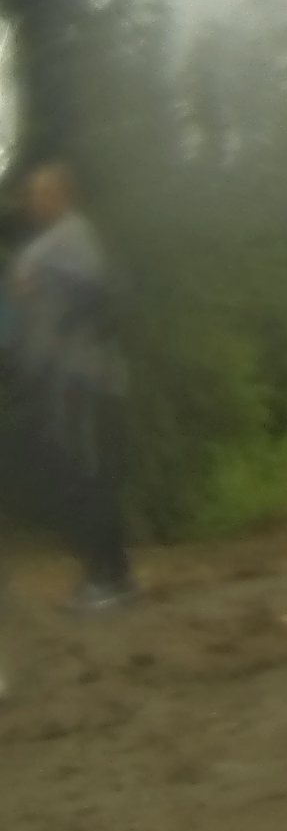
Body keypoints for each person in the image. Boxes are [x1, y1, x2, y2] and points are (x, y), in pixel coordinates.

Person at [3, 161, 136, 610]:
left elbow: (98, 289)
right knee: (76, 475)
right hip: (58, 377)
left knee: (86, 475)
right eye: (31, 194)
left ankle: (107, 581)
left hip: (80, 377)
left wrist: (65, 327)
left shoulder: (71, 236)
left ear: (63, 195)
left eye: (42, 193)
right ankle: (111, 576)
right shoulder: (51, 243)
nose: (33, 202)